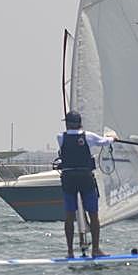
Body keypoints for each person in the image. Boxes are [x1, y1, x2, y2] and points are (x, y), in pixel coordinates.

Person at [55, 111, 115, 258]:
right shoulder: (88, 136)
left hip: (69, 179)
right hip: (85, 178)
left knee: (69, 216)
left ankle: (70, 252)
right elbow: (105, 142)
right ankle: (95, 250)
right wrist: (113, 137)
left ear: (67, 123)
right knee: (93, 215)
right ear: (80, 122)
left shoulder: (60, 137)